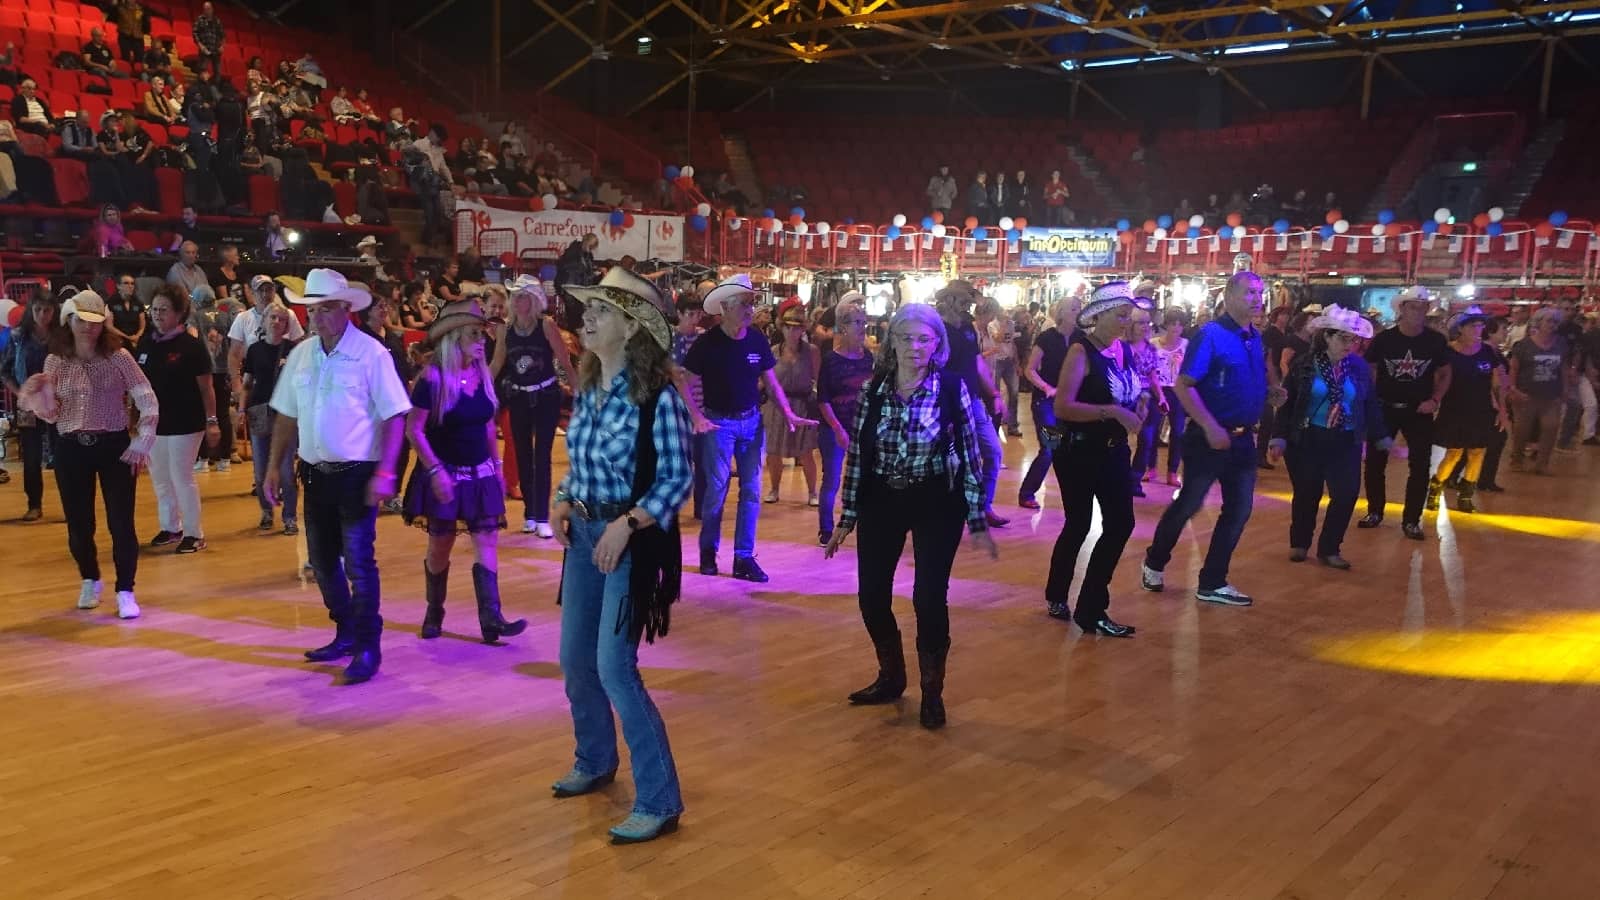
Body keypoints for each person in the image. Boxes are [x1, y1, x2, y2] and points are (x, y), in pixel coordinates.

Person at [549, 266, 691, 846]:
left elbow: (678, 477)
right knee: (574, 660)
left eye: (602, 311)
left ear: (632, 329)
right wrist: (562, 498)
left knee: (614, 667)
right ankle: (595, 758)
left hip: (627, 540)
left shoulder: (658, 397)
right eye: (590, 309)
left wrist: (627, 524)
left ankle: (660, 799)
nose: (588, 319)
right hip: (584, 535)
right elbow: (581, 464)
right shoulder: (588, 388)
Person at [824, 303, 997, 730]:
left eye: (924, 339)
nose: (914, 347)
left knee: (928, 597)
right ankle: (892, 676)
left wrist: (977, 515)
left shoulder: (950, 387)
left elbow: (971, 454)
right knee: (871, 596)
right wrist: (846, 516)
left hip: (936, 499)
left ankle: (932, 692)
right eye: (906, 338)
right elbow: (860, 454)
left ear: (937, 344)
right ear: (891, 342)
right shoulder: (875, 388)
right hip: (882, 499)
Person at [264, 270, 410, 685]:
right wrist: (274, 466)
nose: (317, 316)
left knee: (360, 564)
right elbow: (286, 413)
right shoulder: (302, 354)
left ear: (347, 310)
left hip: (357, 475)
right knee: (325, 563)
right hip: (315, 475)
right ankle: (346, 630)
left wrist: (385, 471)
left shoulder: (372, 354)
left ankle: (367, 644)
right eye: (313, 309)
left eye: (326, 308)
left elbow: (395, 416)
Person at [1141, 271, 1280, 607]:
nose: (1256, 298)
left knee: (1239, 509)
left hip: (1243, 439)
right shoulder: (1211, 335)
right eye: (1249, 291)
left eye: (1260, 292)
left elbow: (1240, 380)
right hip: (1208, 437)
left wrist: (1269, 393)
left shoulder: (1253, 337)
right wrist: (1209, 426)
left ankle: (1213, 580)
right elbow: (1185, 386)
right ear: (1229, 295)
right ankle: (1155, 560)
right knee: (1189, 502)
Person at [17, 292, 157, 619]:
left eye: (94, 323)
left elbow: (147, 398)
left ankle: (125, 589)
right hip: (70, 446)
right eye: (81, 321)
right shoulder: (56, 360)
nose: (88, 329)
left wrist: (143, 439)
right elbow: (52, 414)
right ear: (69, 320)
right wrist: (38, 396)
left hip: (113, 445)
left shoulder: (119, 356)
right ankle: (90, 578)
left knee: (121, 522)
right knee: (80, 525)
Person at [402, 298, 527, 645]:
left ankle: (492, 618)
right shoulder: (432, 379)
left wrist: (498, 466)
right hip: (445, 474)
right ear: (454, 336)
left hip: (481, 473)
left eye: (483, 334)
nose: (482, 339)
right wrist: (435, 471)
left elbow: (488, 426)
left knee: (486, 540)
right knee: (440, 546)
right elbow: (415, 430)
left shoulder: (482, 374)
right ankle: (434, 611)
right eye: (475, 333)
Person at [683, 275, 814, 582]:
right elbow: (683, 382)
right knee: (716, 491)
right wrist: (696, 416)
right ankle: (708, 551)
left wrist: (788, 414)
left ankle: (743, 558)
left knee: (751, 491)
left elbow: (770, 380)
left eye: (750, 303)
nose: (750, 309)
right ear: (725, 307)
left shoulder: (755, 339)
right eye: (744, 303)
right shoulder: (707, 344)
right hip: (720, 423)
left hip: (752, 422)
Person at [1042, 284, 1146, 636]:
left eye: (1127, 317)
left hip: (1115, 450)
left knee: (1120, 524)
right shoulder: (1080, 351)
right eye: (1119, 316)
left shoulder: (1123, 350)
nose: (1124, 323)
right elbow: (1063, 406)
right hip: (1079, 452)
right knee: (1079, 524)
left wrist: (1138, 405)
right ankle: (1059, 594)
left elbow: (1129, 391)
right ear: (1097, 316)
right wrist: (1114, 411)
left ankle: (1090, 608)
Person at [1268, 307, 1389, 569]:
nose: (1351, 345)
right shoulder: (1304, 364)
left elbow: (1369, 404)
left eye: (1354, 339)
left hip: (1345, 439)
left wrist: (1380, 435)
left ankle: (1330, 548)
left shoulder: (1358, 367)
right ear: (1327, 337)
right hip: (1308, 438)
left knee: (1346, 494)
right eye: (1344, 338)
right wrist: (1279, 437)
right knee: (1306, 493)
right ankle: (1300, 543)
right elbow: (1287, 404)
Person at [1357, 287, 1453, 540]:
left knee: (1420, 465)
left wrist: (1435, 399)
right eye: (1412, 306)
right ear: (1401, 309)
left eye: (1422, 307)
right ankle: (1375, 511)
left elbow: (1445, 373)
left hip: (1419, 410)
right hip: (1385, 407)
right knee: (1376, 462)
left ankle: (1411, 520)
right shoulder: (1385, 339)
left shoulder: (1435, 341)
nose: (1418, 312)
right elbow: (1369, 367)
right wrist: (1372, 398)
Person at [135, 285, 221, 555]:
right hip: (155, 422)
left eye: (164, 310)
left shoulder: (191, 346)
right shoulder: (146, 342)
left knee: (181, 476)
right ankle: (171, 527)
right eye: (154, 310)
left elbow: (207, 388)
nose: (158, 315)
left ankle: (195, 534)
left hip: (186, 422)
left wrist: (212, 420)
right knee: (160, 477)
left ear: (179, 313)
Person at [490, 276, 574, 537]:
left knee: (542, 456)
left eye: (524, 296)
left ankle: (542, 516)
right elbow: (496, 364)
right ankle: (529, 513)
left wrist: (580, 391)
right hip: (518, 397)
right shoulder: (505, 330)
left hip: (546, 395)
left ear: (535, 299)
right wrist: (478, 388)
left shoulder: (546, 326)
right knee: (523, 454)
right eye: (516, 297)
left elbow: (565, 361)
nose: (519, 301)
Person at [934, 281, 1008, 527]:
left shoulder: (967, 326)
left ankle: (983, 506)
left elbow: (977, 363)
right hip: (945, 402)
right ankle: (947, 510)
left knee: (993, 452)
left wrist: (995, 395)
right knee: (950, 459)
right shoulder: (936, 326)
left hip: (972, 400)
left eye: (969, 300)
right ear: (951, 300)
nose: (969, 304)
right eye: (964, 299)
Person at [1427, 306, 1508, 513]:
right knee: (1453, 453)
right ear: (1460, 329)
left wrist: (1502, 409)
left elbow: (1497, 382)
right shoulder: (1448, 352)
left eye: (1481, 326)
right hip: (1455, 408)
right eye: (1473, 326)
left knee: (1477, 452)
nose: (1478, 329)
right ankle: (1435, 488)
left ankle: (1466, 496)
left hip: (1481, 410)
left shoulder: (1487, 351)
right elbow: (1437, 379)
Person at [816, 295, 874, 547]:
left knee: (864, 478)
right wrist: (838, 429)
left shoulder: (868, 358)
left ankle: (861, 522)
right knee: (832, 479)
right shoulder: (831, 360)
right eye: (857, 323)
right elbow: (823, 399)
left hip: (861, 427)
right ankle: (826, 529)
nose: (862, 328)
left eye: (864, 322)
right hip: (834, 429)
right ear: (843, 327)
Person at [242, 302, 299, 534]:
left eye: (281, 319)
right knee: (260, 469)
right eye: (273, 318)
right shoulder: (254, 350)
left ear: (287, 324)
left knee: (286, 470)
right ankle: (266, 512)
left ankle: (290, 517)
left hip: (285, 415)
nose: (276, 322)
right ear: (264, 321)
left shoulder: (293, 350)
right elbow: (247, 383)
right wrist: (241, 409)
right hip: (260, 412)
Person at [1018, 296, 1079, 510]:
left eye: (1078, 308)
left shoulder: (1081, 338)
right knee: (1050, 448)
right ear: (1061, 313)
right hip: (1046, 401)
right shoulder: (1046, 338)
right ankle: (1027, 492)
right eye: (1073, 309)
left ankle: (1073, 496)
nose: (1077, 312)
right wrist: (1047, 388)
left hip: (1071, 402)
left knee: (1071, 450)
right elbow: (1030, 369)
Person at [1, 292, 58, 521]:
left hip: (58, 403)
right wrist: (21, 394)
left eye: (47, 310)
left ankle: (71, 503)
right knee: (32, 457)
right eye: (38, 310)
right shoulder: (18, 336)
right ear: (31, 311)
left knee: (62, 454)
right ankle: (34, 504)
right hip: (27, 405)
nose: (42, 315)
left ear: (54, 312)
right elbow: (5, 371)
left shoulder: (62, 337)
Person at [762, 299, 821, 506]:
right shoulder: (773, 351)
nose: (792, 332)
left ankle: (813, 492)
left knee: (805, 452)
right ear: (782, 327)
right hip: (776, 405)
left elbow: (818, 378)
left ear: (803, 328)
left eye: (796, 327)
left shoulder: (811, 351)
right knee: (774, 450)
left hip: (802, 403)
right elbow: (764, 380)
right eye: (788, 327)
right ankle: (774, 488)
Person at [1506, 307, 1574, 475]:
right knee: (1522, 429)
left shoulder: (1561, 343)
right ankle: (1517, 459)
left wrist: (1565, 389)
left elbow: (1564, 368)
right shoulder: (1523, 345)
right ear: (1539, 322)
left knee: (1551, 427)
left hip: (1551, 395)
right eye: (1549, 321)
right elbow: (1513, 369)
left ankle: (1542, 463)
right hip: (1526, 395)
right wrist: (1513, 389)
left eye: (1555, 322)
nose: (1552, 325)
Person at [1141, 307, 1189, 487]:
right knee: (1150, 431)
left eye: (1179, 324)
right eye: (1172, 323)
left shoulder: (1186, 345)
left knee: (1177, 432)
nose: (1175, 328)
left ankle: (1172, 472)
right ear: (1166, 325)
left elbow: (1190, 370)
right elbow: (1148, 368)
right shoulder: (1153, 344)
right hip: (1157, 389)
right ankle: (1150, 467)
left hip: (1177, 391)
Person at [1123, 301, 1165, 497]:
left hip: (1147, 396)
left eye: (1147, 323)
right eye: (1141, 322)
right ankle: (1118, 477)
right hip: (1126, 396)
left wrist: (1162, 397)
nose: (1145, 326)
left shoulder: (1151, 348)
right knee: (1119, 441)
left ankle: (1134, 481)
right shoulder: (1121, 347)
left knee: (1147, 440)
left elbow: (1153, 376)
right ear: (1131, 324)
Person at [979, 297, 1022, 438]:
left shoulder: (1011, 324)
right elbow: (998, 338)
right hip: (996, 362)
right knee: (995, 394)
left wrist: (1017, 363)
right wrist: (1003, 324)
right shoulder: (992, 324)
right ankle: (994, 426)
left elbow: (1012, 344)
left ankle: (1012, 425)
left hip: (1009, 361)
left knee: (1014, 393)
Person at [106, 273, 147, 349]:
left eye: (132, 283)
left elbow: (142, 325)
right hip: (117, 340)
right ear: (118, 286)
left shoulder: (138, 303)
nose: (130, 286)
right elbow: (109, 326)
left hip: (136, 340)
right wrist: (128, 338)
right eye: (126, 283)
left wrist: (137, 336)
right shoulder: (111, 302)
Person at [193, 2, 225, 76]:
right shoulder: (200, 19)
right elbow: (195, 34)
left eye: (208, 9)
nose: (207, 11)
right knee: (202, 71)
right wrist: (200, 46)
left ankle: (215, 86)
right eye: (205, 9)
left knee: (218, 72)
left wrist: (222, 46)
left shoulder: (217, 21)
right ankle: (202, 87)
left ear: (212, 9)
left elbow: (222, 35)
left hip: (216, 50)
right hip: (204, 49)